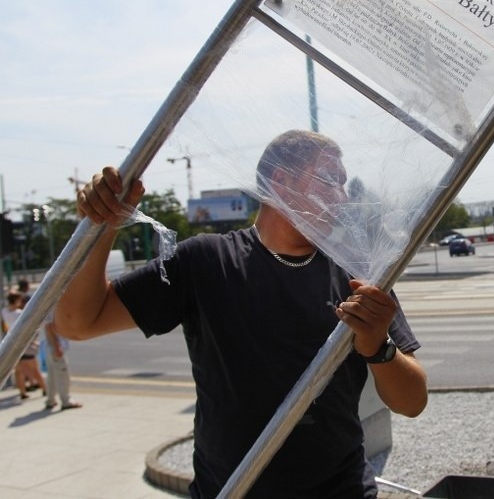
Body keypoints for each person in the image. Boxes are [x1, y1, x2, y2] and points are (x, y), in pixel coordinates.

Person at [56, 129, 428, 498]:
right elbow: (77, 322)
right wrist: (103, 224)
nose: (342, 196)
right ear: (280, 181)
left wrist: (378, 347)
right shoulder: (205, 261)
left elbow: (412, 402)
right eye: (330, 180)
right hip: (232, 492)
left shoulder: (356, 275)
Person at [4, 292, 46, 401]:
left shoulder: (3, 312)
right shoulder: (20, 313)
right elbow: (29, 328)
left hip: (12, 344)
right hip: (25, 344)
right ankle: (45, 389)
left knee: (19, 371)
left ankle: (22, 392)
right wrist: (34, 341)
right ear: (16, 300)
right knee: (34, 369)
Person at [41, 310, 82, 411]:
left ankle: (50, 400)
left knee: (52, 375)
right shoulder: (54, 306)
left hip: (50, 347)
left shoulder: (50, 305)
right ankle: (66, 400)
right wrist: (56, 346)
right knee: (63, 375)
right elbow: (49, 326)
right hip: (55, 347)